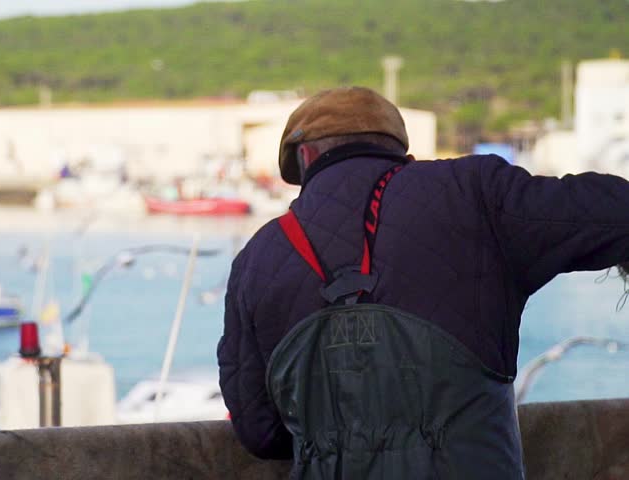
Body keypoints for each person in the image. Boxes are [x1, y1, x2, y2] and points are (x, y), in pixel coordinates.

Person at [217, 86, 629, 478]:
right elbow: (612, 216)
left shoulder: (255, 260)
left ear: (305, 156)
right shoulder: (471, 193)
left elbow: (259, 431)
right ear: (398, 149)